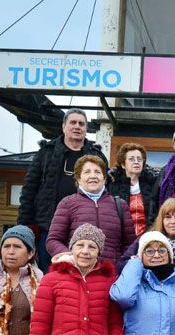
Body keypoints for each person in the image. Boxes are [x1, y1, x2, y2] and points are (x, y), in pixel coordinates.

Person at [18, 108, 107, 271]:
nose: (77, 127)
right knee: (49, 273)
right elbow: (29, 191)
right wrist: (26, 226)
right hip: (49, 228)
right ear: (64, 126)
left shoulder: (97, 156)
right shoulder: (46, 153)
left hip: (84, 230)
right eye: (73, 122)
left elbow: (106, 193)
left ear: (86, 128)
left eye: (81, 124)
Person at [45, 155, 135, 267]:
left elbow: (130, 243)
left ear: (104, 178)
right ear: (78, 178)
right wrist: (70, 258)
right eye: (87, 172)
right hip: (76, 271)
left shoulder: (120, 205)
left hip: (110, 274)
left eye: (97, 172)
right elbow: (53, 240)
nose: (93, 176)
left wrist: (120, 263)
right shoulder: (67, 203)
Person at [107, 142, 161, 235]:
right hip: (122, 238)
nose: (136, 162)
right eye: (131, 159)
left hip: (148, 237)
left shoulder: (153, 185)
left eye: (139, 159)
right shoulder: (112, 186)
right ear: (123, 165)